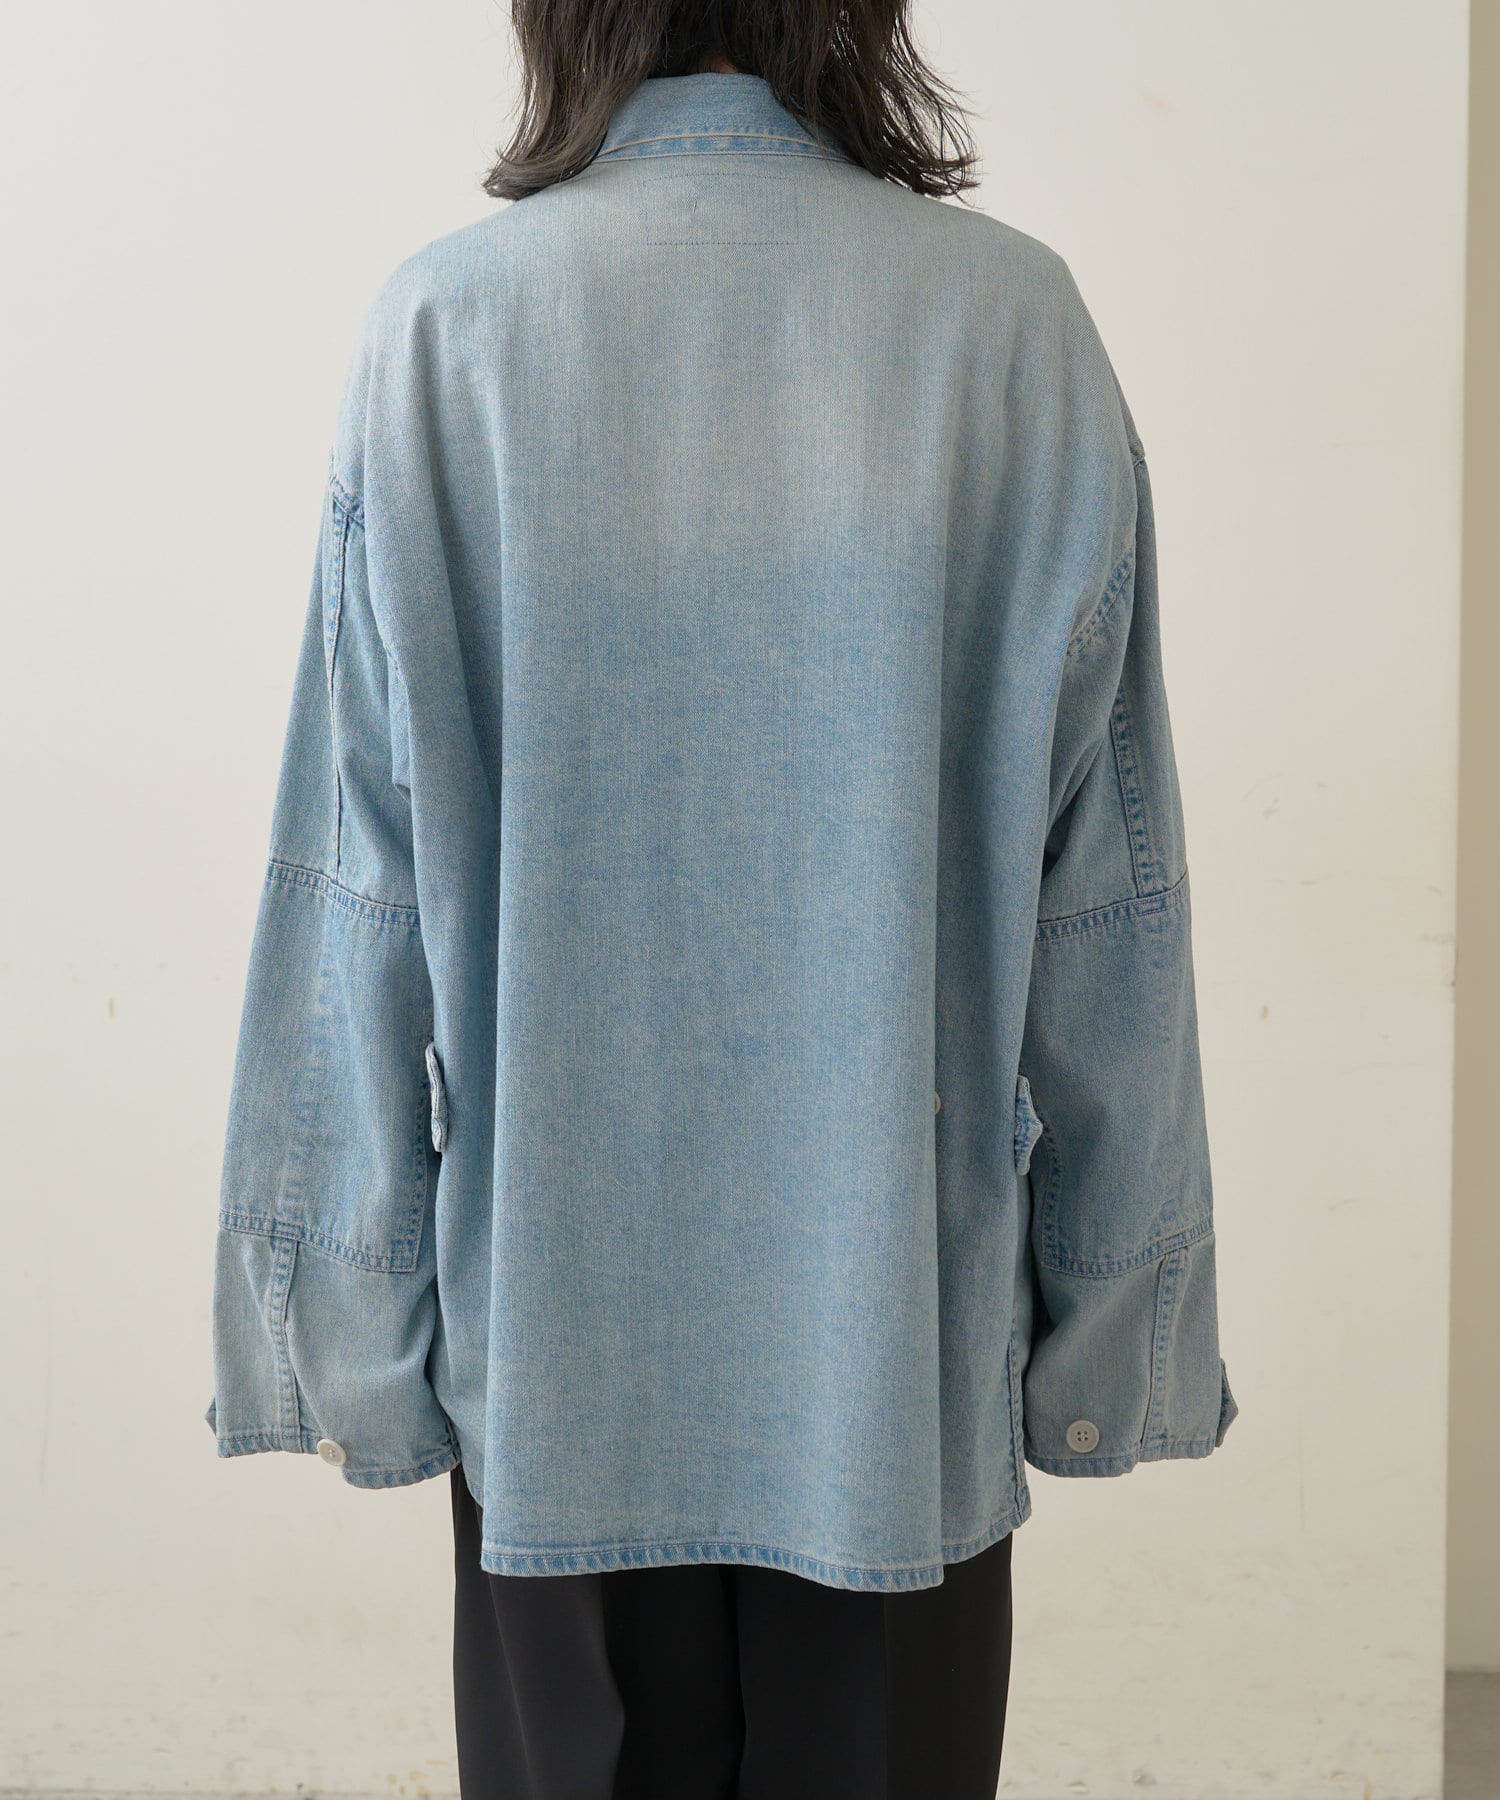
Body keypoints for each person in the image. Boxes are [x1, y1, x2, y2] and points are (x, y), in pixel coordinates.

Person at [203, 3, 1238, 1794]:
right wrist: (1113, 1327)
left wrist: (343, 1328)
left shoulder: (445, 334)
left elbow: (355, 882)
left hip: (555, 1387)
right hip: (890, 1385)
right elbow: (1107, 904)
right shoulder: (1011, 329)